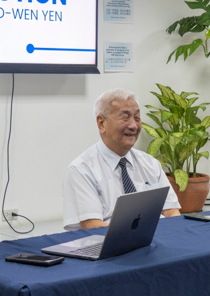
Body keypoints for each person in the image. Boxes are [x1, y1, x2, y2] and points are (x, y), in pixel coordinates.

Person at [63, 89, 181, 230]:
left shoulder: (150, 163)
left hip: (158, 239)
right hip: (109, 245)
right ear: (101, 123)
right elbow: (92, 225)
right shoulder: (81, 170)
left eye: (137, 118)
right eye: (125, 118)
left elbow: (171, 212)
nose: (133, 126)